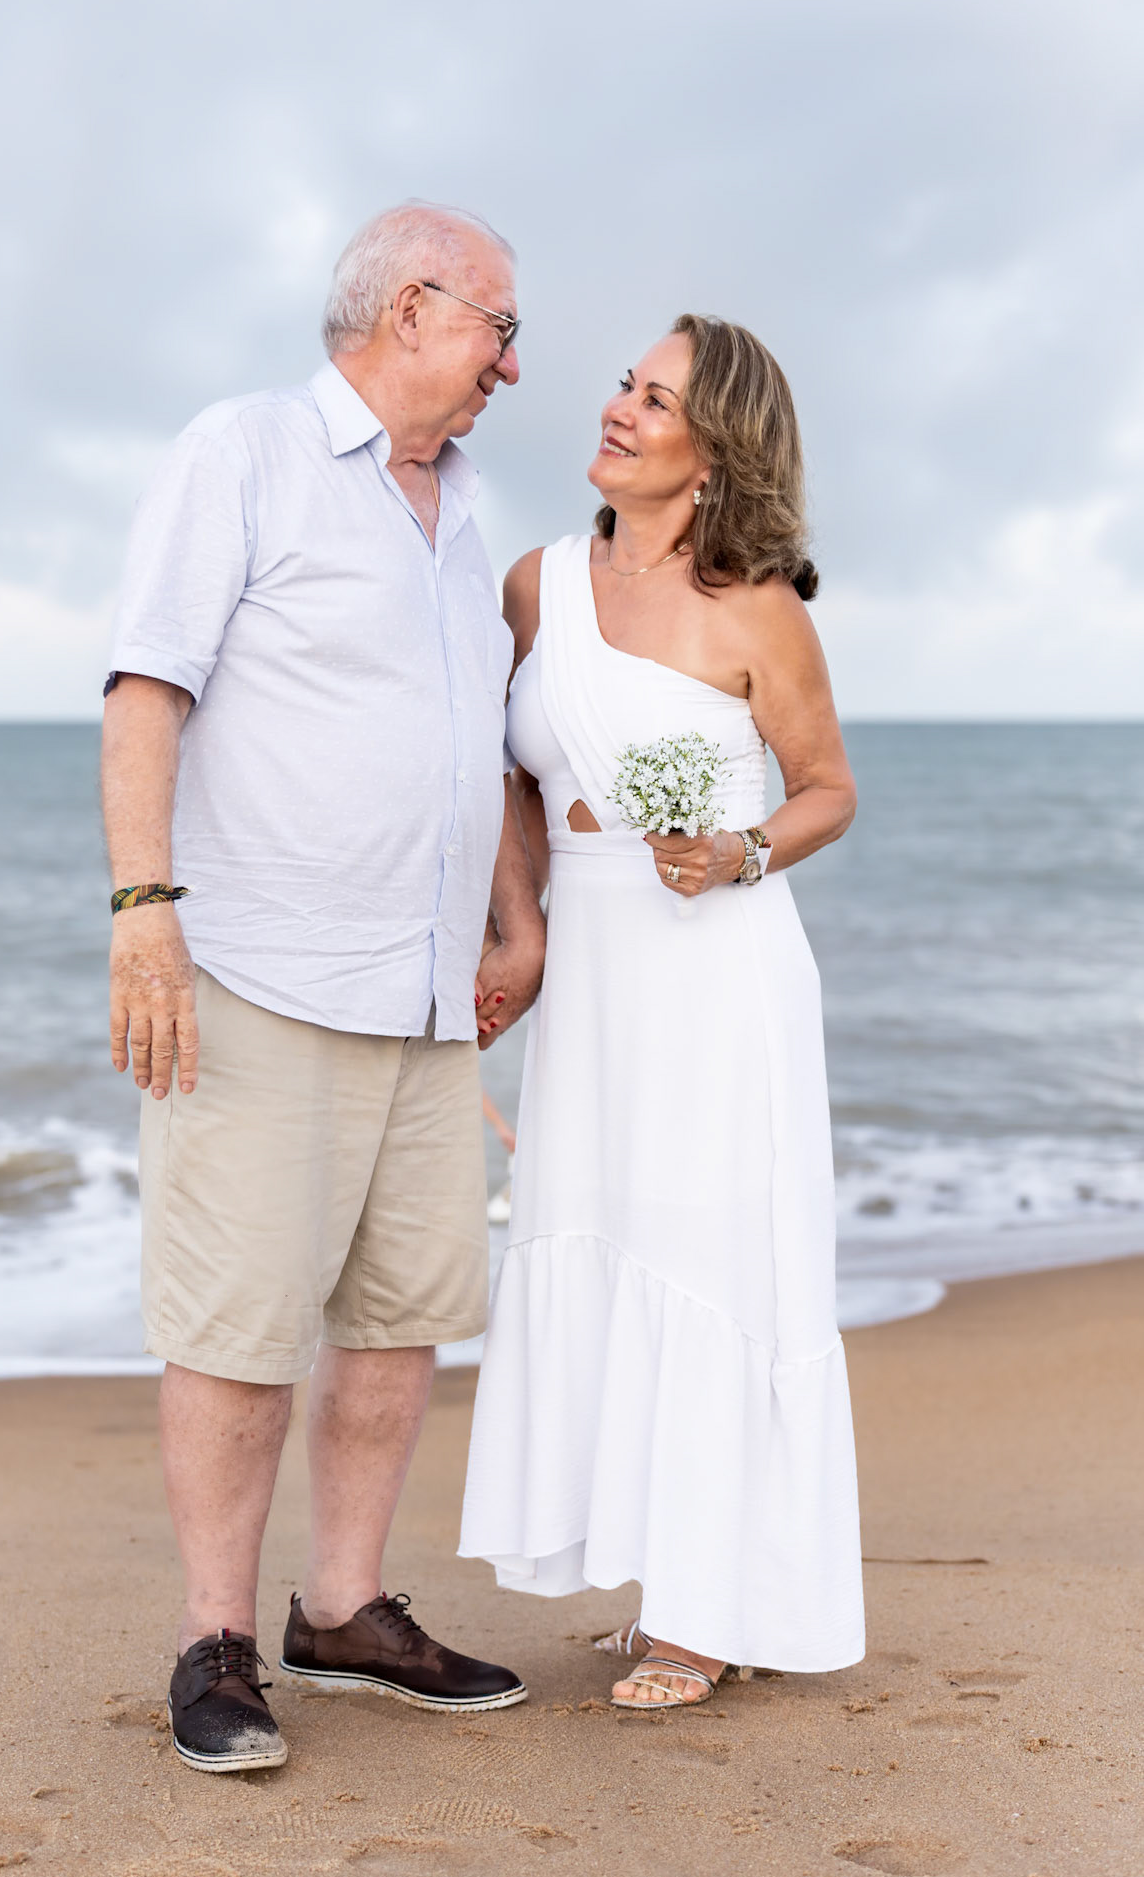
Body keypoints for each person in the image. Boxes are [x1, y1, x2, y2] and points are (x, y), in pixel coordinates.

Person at [102, 202, 546, 1773]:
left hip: (425, 997)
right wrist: (143, 908)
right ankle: (213, 1639)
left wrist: (513, 920)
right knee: (235, 1327)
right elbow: (148, 683)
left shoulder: (471, 509)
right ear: (414, 308)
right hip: (264, 969)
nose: (512, 361)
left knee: (398, 1318)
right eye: (499, 326)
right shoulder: (243, 452)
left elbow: (474, 744)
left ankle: (343, 1607)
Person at [459, 314, 866, 1706]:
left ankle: (707, 1608)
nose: (620, 409)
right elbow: (512, 776)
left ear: (717, 451)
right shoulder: (533, 585)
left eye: (655, 398)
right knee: (603, 1238)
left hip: (716, 971)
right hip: (594, 974)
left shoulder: (756, 608)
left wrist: (741, 851)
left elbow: (824, 789)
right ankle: (660, 1570)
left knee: (706, 1259)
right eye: (626, 385)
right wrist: (518, 929)